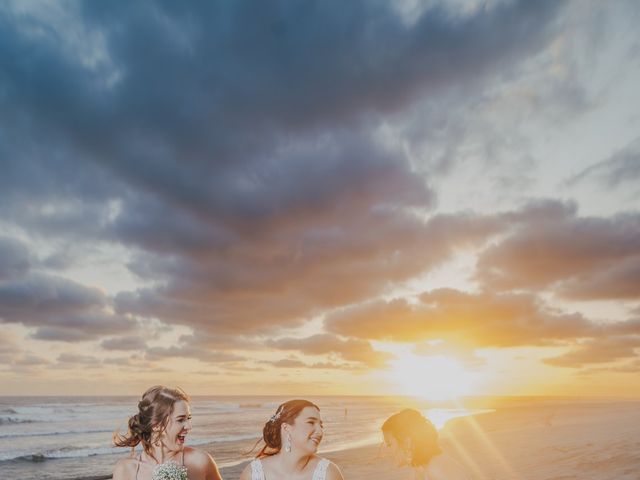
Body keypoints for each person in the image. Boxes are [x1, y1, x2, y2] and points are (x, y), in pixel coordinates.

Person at [112, 385, 223, 480]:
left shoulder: (200, 461)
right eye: (180, 420)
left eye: (189, 418)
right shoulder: (125, 470)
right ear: (156, 425)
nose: (189, 427)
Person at [240, 399, 344, 480]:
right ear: (286, 428)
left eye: (321, 425)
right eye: (311, 422)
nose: (320, 432)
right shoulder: (253, 474)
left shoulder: (328, 473)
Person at [382, 409, 469, 480]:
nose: (385, 451)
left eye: (389, 444)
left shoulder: (438, 471)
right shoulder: (420, 468)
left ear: (407, 442)